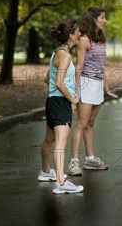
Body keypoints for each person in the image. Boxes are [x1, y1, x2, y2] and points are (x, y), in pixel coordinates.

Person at [69, 7, 118, 176]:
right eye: (102, 17)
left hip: (97, 85)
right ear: (94, 19)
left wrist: (106, 87)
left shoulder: (100, 40)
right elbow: (79, 66)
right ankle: (73, 162)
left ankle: (90, 159)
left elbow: (102, 66)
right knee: (81, 124)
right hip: (86, 83)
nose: (105, 20)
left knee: (90, 123)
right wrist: (75, 91)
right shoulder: (84, 39)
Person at [39, 19, 84, 194]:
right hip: (60, 102)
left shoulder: (56, 53)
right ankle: (60, 182)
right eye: (78, 31)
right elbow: (59, 83)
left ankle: (45, 171)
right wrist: (72, 100)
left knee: (49, 140)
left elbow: (47, 78)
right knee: (61, 141)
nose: (80, 34)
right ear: (71, 35)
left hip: (52, 101)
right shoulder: (65, 55)